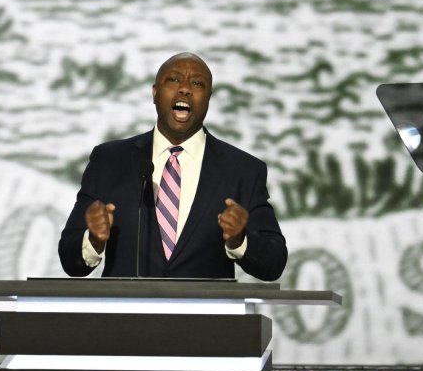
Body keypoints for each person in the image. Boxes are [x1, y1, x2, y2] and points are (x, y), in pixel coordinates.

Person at [58, 53, 288, 281]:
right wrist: (94, 240)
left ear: (208, 98)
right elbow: (70, 261)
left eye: (197, 83)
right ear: (155, 93)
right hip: (127, 316)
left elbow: (274, 263)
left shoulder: (242, 170)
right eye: (174, 79)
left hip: (206, 317)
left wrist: (240, 240)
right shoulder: (109, 161)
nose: (185, 89)